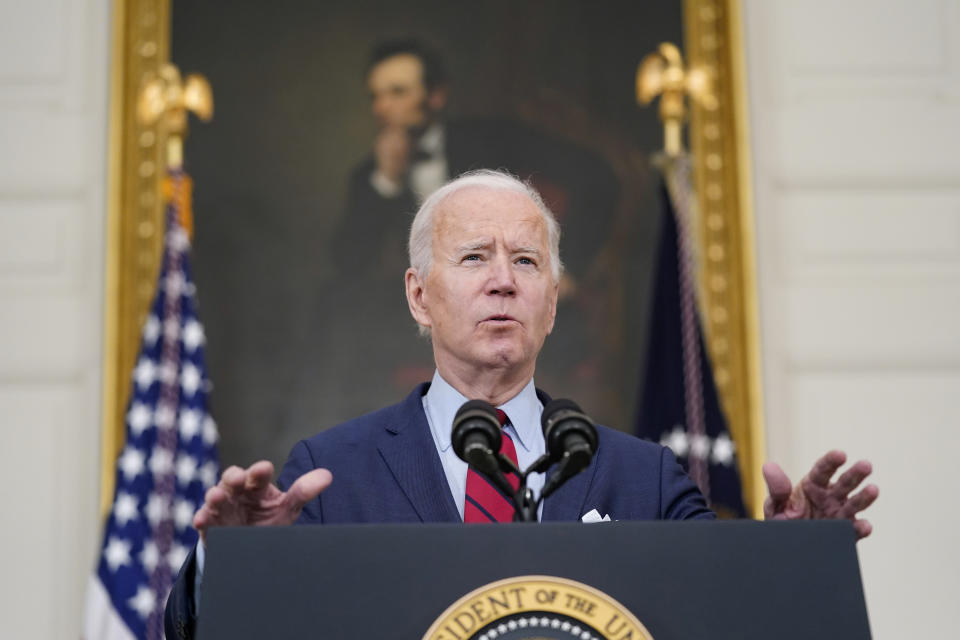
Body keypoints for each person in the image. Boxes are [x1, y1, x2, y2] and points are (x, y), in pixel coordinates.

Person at [165, 170, 878, 638]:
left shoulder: (646, 478)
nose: (504, 281)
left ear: (552, 307)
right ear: (420, 294)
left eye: (528, 261)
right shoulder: (332, 472)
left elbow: (721, 620)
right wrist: (228, 563)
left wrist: (791, 557)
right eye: (475, 257)